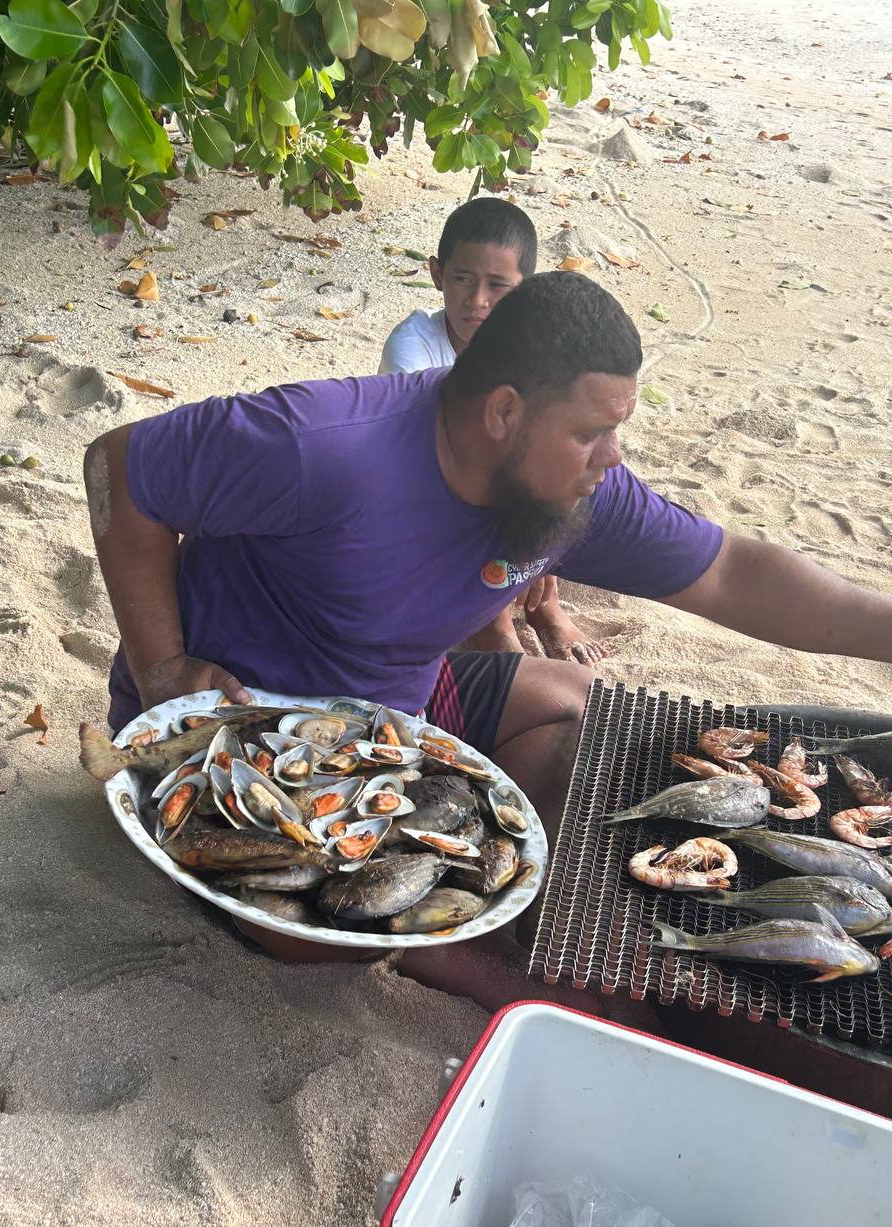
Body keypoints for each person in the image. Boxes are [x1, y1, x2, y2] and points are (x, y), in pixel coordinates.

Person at [85, 271, 892, 852]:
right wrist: (161, 668)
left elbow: (733, 572)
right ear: (504, 412)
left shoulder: (577, 488)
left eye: (618, 430)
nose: (612, 457)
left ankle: (467, 837)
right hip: (235, 733)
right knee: (333, 934)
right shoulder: (321, 446)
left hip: (392, 712)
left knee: (582, 703)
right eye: (589, 432)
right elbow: (118, 468)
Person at [379, 198, 606, 667]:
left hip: (499, 502)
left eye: (497, 286)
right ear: (438, 273)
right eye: (463, 279)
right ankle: (497, 619)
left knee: (566, 459)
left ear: (525, 290)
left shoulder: (539, 350)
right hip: (425, 494)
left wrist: (536, 551)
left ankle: (546, 607)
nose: (477, 301)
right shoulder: (413, 347)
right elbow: (439, 462)